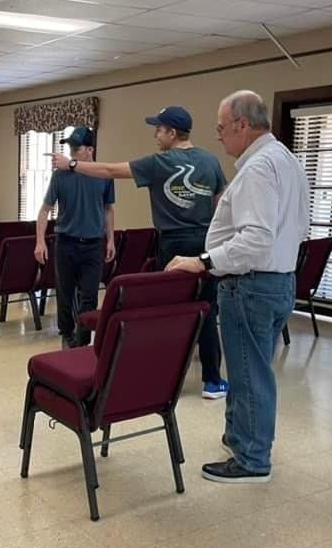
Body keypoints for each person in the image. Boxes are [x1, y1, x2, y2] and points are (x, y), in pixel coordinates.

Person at [167, 90, 309, 483]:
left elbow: (255, 239)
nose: (218, 136)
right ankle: (239, 437)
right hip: (278, 281)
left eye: (221, 128)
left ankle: (252, 459)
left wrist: (204, 261)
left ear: (242, 125)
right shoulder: (285, 159)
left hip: (251, 285)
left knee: (249, 375)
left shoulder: (258, 168)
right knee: (251, 368)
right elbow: (297, 226)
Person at [48, 106, 229, 398]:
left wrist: (71, 165)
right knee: (206, 309)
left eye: (159, 130)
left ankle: (162, 376)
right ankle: (212, 380)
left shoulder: (160, 162)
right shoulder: (210, 161)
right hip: (205, 243)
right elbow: (221, 201)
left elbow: (110, 171)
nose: (156, 135)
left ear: (172, 133)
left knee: (167, 312)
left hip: (172, 244)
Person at [34, 127, 115, 348]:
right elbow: (45, 210)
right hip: (66, 243)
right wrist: (40, 241)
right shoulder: (60, 175)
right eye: (70, 147)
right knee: (65, 295)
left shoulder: (103, 175)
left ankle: (83, 340)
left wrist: (110, 239)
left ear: (90, 150)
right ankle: (67, 334)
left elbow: (108, 209)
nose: (71, 152)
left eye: (76, 148)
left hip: (93, 245)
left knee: (89, 295)